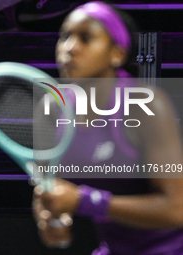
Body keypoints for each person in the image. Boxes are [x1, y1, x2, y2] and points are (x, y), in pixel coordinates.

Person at [33, 1, 183, 255]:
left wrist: (87, 202)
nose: (70, 48)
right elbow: (48, 187)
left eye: (86, 38)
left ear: (117, 53)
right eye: (64, 37)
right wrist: (47, 219)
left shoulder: (146, 107)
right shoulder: (51, 109)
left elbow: (177, 209)